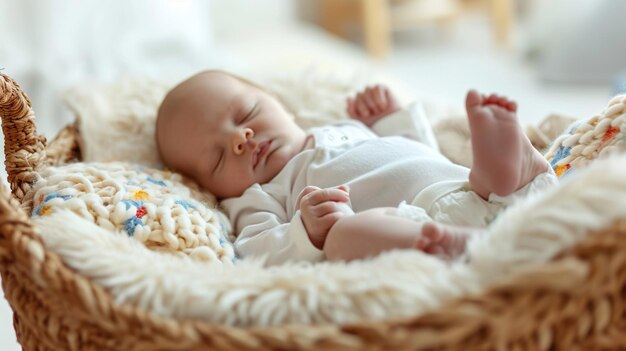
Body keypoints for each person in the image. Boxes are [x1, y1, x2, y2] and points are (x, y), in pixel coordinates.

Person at [156, 70, 557, 265]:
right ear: (211, 187)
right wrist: (306, 232)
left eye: (247, 113)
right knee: (345, 234)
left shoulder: (344, 127)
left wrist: (391, 118)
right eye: (218, 157)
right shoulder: (257, 196)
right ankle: (447, 243)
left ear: (282, 105)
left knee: (475, 176)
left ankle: (513, 172)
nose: (240, 138)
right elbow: (256, 251)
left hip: (463, 187)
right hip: (410, 224)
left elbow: (418, 149)